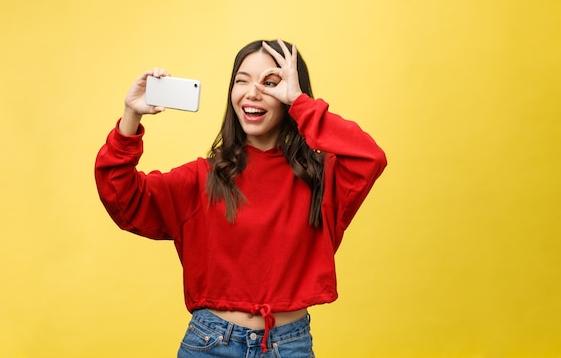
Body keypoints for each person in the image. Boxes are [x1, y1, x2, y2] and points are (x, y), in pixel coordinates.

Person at [95, 39, 387, 357]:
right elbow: (123, 199)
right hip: (210, 344)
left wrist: (300, 103)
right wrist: (130, 118)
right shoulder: (201, 178)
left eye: (271, 83)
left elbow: (368, 157)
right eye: (242, 81)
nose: (252, 92)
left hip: (288, 345)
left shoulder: (322, 178)